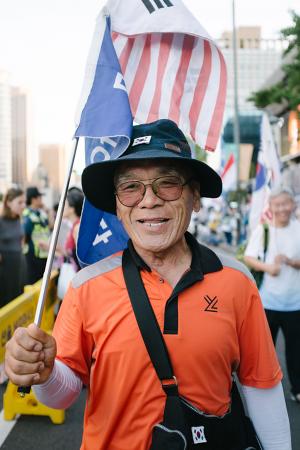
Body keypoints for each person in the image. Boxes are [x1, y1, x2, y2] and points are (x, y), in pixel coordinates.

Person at [5, 120, 291, 450]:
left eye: (167, 184)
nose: (148, 200)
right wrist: (44, 370)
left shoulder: (236, 280)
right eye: (130, 188)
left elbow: (261, 388)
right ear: (117, 205)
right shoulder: (86, 286)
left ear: (195, 196)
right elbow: (62, 395)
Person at [244, 186, 300, 404]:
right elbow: (249, 257)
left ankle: (297, 389)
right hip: (267, 302)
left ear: (293, 204)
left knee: (295, 351)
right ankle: (262, 391)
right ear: (271, 207)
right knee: (263, 350)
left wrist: (293, 262)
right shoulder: (264, 230)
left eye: (286, 203)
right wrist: (269, 268)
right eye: (277, 204)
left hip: (295, 303)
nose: (282, 208)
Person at [0, 186, 26, 307]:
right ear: (9, 203)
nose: (23, 205)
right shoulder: (1, 220)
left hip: (19, 265)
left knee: (16, 299)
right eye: (19, 202)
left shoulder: (18, 219)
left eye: (24, 202)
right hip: (5, 267)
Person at [23, 186, 50, 284]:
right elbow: (24, 237)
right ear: (33, 199)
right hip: (33, 256)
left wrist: (47, 210)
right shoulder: (27, 215)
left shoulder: (41, 214)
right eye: (40, 197)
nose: (42, 200)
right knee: (34, 283)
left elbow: (50, 226)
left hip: (44, 255)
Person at [63, 187, 84, 271]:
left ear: (72, 209)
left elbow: (80, 257)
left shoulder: (77, 227)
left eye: (65, 205)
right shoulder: (74, 226)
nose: (61, 208)